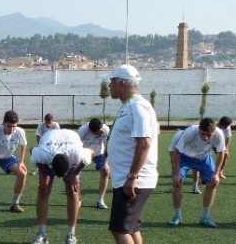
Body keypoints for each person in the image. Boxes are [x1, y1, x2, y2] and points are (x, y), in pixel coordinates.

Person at [103, 64, 159, 244]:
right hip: (127, 178)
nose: (109, 85)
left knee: (119, 230)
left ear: (121, 83)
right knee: (131, 228)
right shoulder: (131, 106)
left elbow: (144, 143)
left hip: (135, 180)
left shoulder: (138, 107)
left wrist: (133, 176)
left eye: (111, 81)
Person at [29, 129, 94, 244]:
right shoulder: (43, 154)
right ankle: (41, 234)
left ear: (70, 163)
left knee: (72, 190)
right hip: (50, 142)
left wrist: (74, 174)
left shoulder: (77, 154)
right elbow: (32, 150)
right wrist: (44, 174)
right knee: (44, 189)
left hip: (70, 141)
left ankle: (71, 235)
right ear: (51, 166)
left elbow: (91, 152)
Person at [168, 118, 226, 228]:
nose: (206, 138)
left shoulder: (219, 134)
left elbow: (221, 153)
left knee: (213, 182)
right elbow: (176, 151)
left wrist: (217, 173)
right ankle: (177, 216)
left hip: (203, 158)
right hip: (184, 157)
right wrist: (176, 173)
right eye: (203, 134)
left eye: (209, 135)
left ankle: (205, 217)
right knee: (177, 183)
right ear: (199, 129)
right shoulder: (190, 132)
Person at [77, 118, 110, 209]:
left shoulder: (106, 130)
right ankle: (79, 199)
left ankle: (100, 200)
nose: (100, 133)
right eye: (97, 132)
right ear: (91, 131)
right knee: (76, 175)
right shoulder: (82, 130)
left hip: (99, 153)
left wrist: (105, 163)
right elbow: (76, 146)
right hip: (84, 153)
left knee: (105, 172)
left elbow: (108, 146)